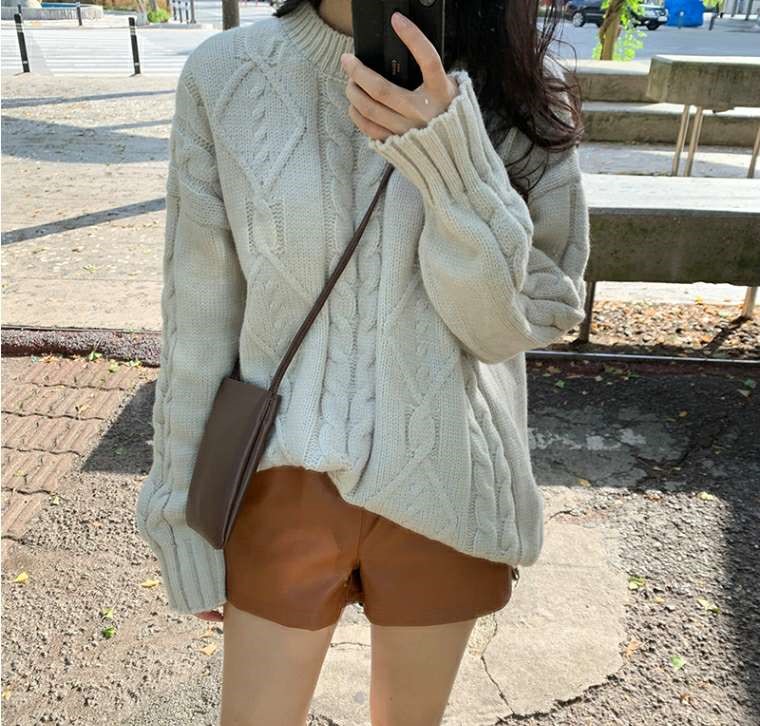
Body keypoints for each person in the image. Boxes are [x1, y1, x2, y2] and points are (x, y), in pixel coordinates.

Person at [135, 0, 590, 723]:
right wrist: (179, 518)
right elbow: (198, 319)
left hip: (448, 476)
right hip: (278, 481)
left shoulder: (518, 85)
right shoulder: (225, 74)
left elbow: (506, 328)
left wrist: (450, 154)